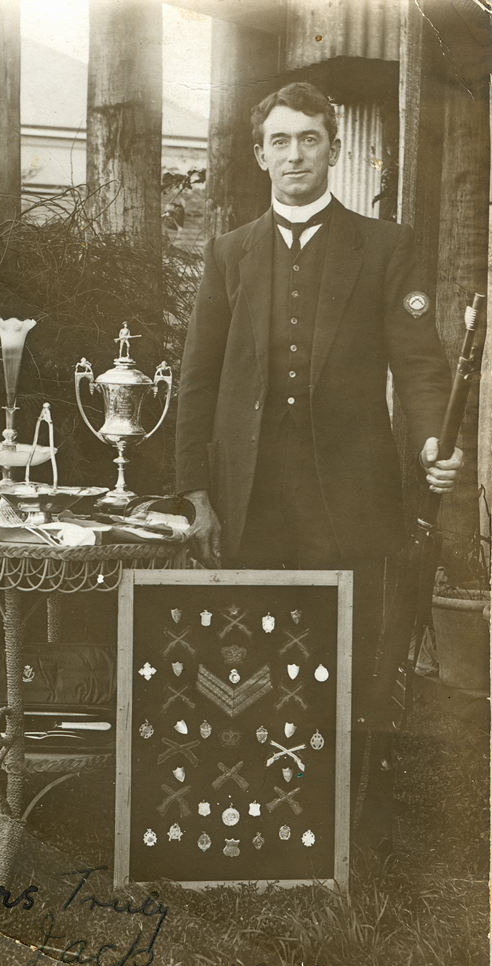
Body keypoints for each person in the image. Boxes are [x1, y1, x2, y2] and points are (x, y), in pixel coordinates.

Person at [175, 82, 462, 855]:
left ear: (334, 148)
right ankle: (258, 813)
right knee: (251, 659)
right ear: (260, 153)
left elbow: (423, 366)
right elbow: (197, 376)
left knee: (348, 658)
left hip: (352, 497)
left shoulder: (386, 246)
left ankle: (336, 828)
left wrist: (435, 441)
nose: (295, 154)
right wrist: (195, 489)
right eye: (281, 141)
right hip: (252, 496)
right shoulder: (229, 251)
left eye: (310, 139)